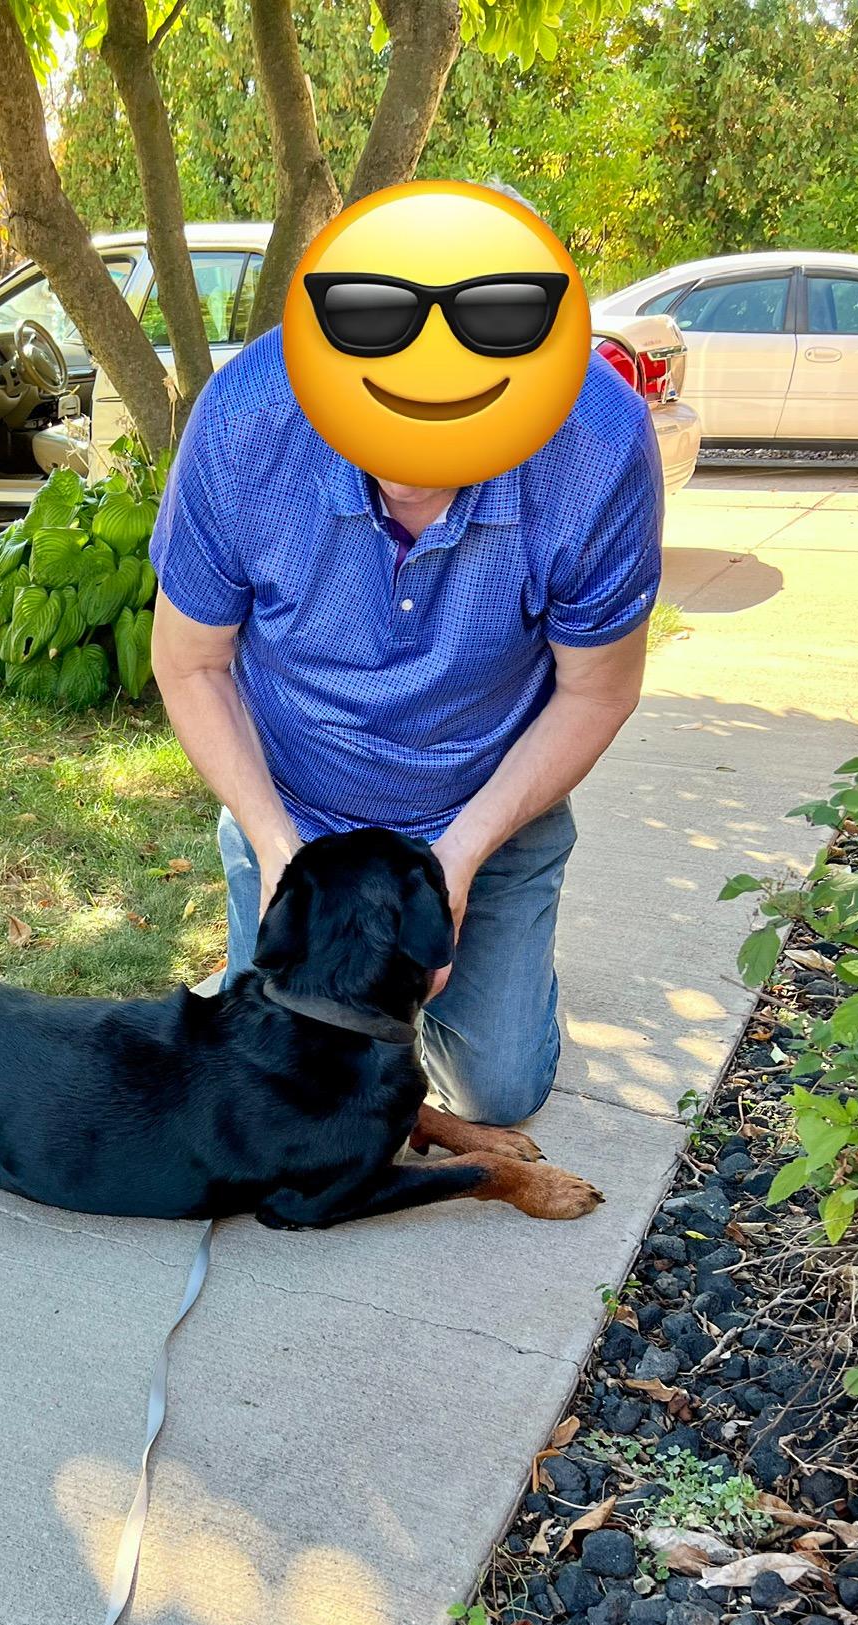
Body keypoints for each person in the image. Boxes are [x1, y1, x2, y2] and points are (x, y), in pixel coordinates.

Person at [148, 327, 663, 1128]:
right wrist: (284, 857)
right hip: (298, 815)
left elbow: (597, 692)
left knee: (498, 1091)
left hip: (484, 808)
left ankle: (516, 982)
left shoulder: (597, 439)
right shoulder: (248, 415)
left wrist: (456, 861)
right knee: (275, 1072)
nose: (408, 468)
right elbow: (190, 663)